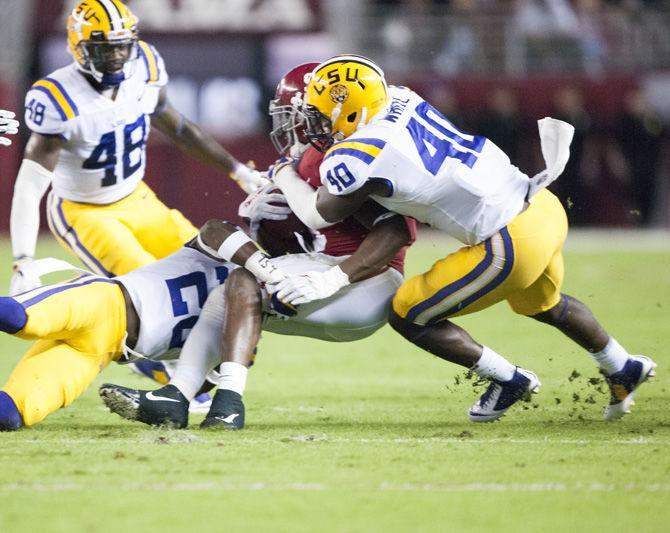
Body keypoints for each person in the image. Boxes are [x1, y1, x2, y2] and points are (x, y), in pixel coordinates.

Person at [268, 55, 656, 422]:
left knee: (407, 313)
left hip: (507, 241)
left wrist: (285, 172)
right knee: (545, 304)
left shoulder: (357, 154)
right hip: (541, 206)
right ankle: (622, 365)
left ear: (351, 110)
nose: (314, 125)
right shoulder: (400, 97)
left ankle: (509, 380)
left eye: (319, 115)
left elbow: (317, 212)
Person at [98, 63, 416, 430]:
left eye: (299, 114)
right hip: (329, 273)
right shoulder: (303, 162)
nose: (289, 125)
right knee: (230, 290)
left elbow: (395, 231)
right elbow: (281, 254)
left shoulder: (350, 155)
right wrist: (261, 223)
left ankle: (227, 403)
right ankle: (177, 396)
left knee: (243, 284)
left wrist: (334, 279)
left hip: (367, 282)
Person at [9, 0, 266, 295]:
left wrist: (236, 170)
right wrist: (23, 260)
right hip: (85, 211)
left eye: (122, 46)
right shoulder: (58, 98)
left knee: (215, 266)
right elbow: (30, 185)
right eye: (105, 48)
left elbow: (179, 129)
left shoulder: (144, 64)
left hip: (137, 198)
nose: (117, 56)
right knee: (158, 294)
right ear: (78, 48)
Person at [0, 221, 283, 431]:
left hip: (102, 353)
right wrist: (263, 267)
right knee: (17, 317)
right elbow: (215, 229)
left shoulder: (247, 325)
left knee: (12, 413)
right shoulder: (224, 251)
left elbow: (196, 384)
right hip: (103, 302)